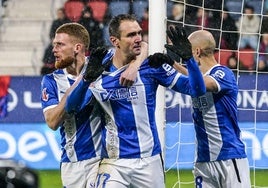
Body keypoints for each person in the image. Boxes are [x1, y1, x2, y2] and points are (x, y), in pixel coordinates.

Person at [65, 14, 206, 188]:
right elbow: (71, 108)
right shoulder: (99, 69)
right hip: (114, 162)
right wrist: (86, 80)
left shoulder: (152, 66)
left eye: (139, 33)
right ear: (115, 40)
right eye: (131, 35)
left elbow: (197, 90)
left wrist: (189, 60)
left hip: (149, 162)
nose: (138, 38)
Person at [41, 22, 147, 188]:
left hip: (103, 159)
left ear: (77, 47)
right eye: (54, 45)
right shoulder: (51, 81)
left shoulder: (102, 62)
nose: (54, 50)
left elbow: (142, 46)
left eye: (59, 45)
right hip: (72, 163)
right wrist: (80, 84)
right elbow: (52, 122)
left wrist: (135, 65)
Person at [163, 27, 251, 188]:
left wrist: (187, 60)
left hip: (229, 158)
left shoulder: (223, 73)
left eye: (186, 51)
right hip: (203, 160)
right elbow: (193, 79)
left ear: (196, 52)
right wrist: (172, 63)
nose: (184, 55)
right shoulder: (198, 76)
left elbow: (201, 86)